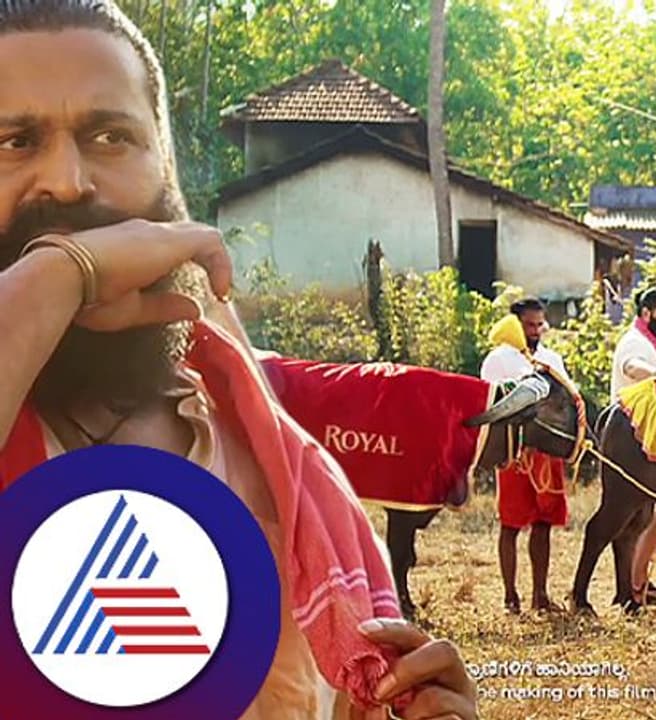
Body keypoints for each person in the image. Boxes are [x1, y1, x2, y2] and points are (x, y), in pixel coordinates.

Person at [0, 3, 475, 718]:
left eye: (110, 136)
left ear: (166, 169)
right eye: (12, 142)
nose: (67, 182)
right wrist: (52, 279)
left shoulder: (296, 485)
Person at [479, 298, 570, 615]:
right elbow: (491, 400)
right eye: (529, 324)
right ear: (515, 324)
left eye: (539, 324)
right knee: (511, 523)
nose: (535, 330)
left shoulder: (551, 358)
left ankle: (540, 596)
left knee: (544, 523)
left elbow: (564, 402)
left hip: (547, 453)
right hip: (515, 453)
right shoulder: (498, 359)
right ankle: (509, 597)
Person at [609, 287, 656, 612]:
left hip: (650, 436)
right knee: (625, 520)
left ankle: (636, 582)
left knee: (647, 516)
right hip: (629, 438)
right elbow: (633, 367)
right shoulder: (636, 342)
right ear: (646, 315)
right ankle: (629, 585)